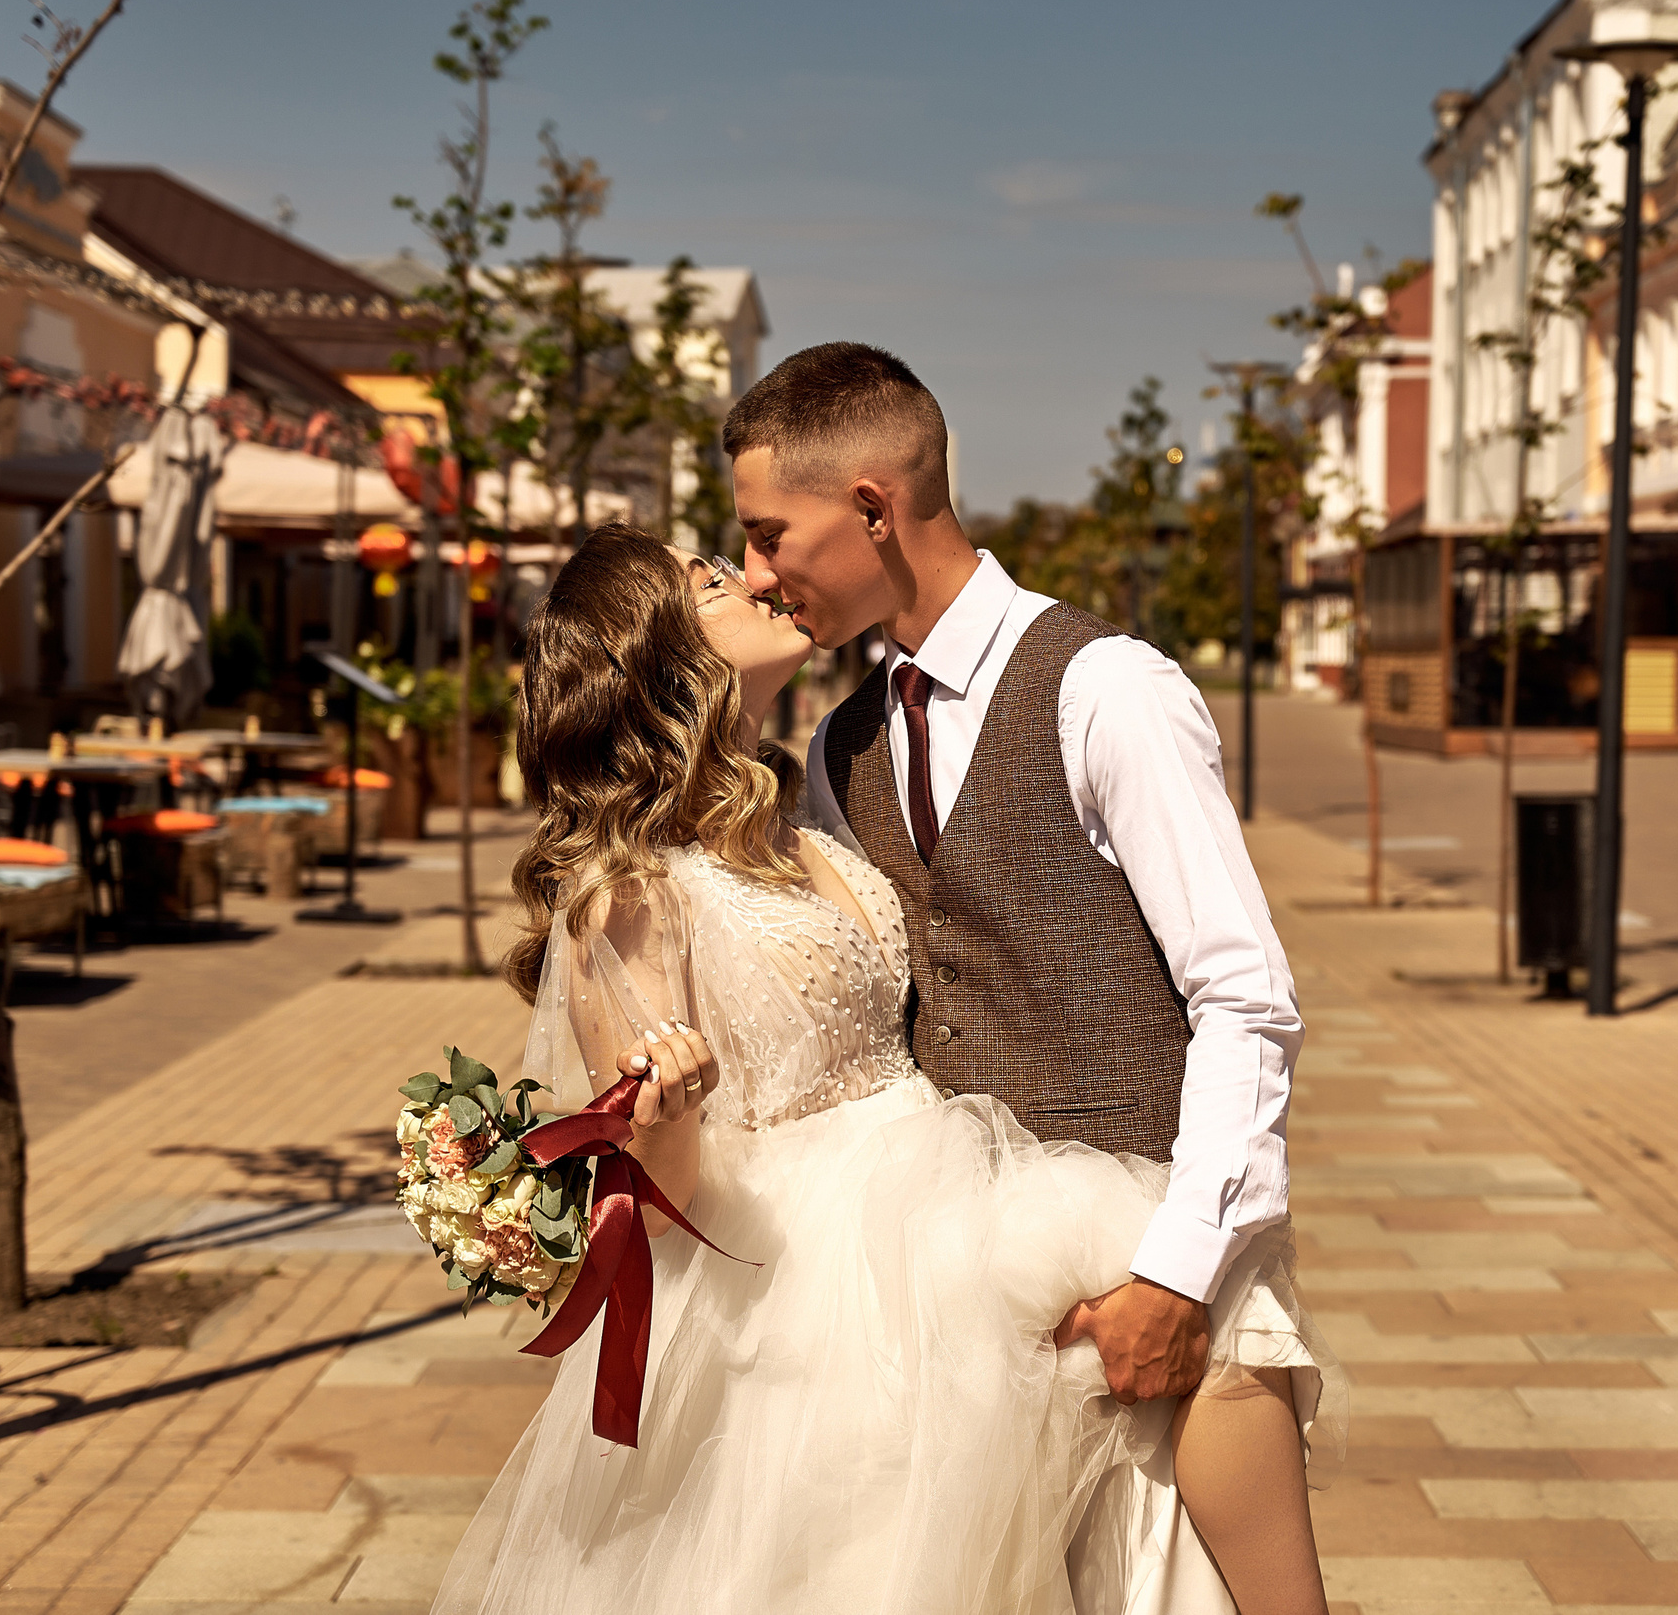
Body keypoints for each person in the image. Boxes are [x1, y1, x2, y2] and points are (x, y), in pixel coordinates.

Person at [433, 520, 1342, 1615]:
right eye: (713, 577)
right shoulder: (626, 890)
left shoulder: (809, 802)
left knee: (1208, 1290)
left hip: (944, 1163)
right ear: (658, 648)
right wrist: (665, 1113)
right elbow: (662, 1199)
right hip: (807, 1255)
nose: (753, 577)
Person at [732, 343, 1339, 1614]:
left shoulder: (1105, 690)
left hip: (1159, 1279)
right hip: (973, 1314)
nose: (757, 569)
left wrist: (1177, 1274)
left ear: (870, 506)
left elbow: (1245, 998)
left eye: (767, 531)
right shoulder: (844, 743)